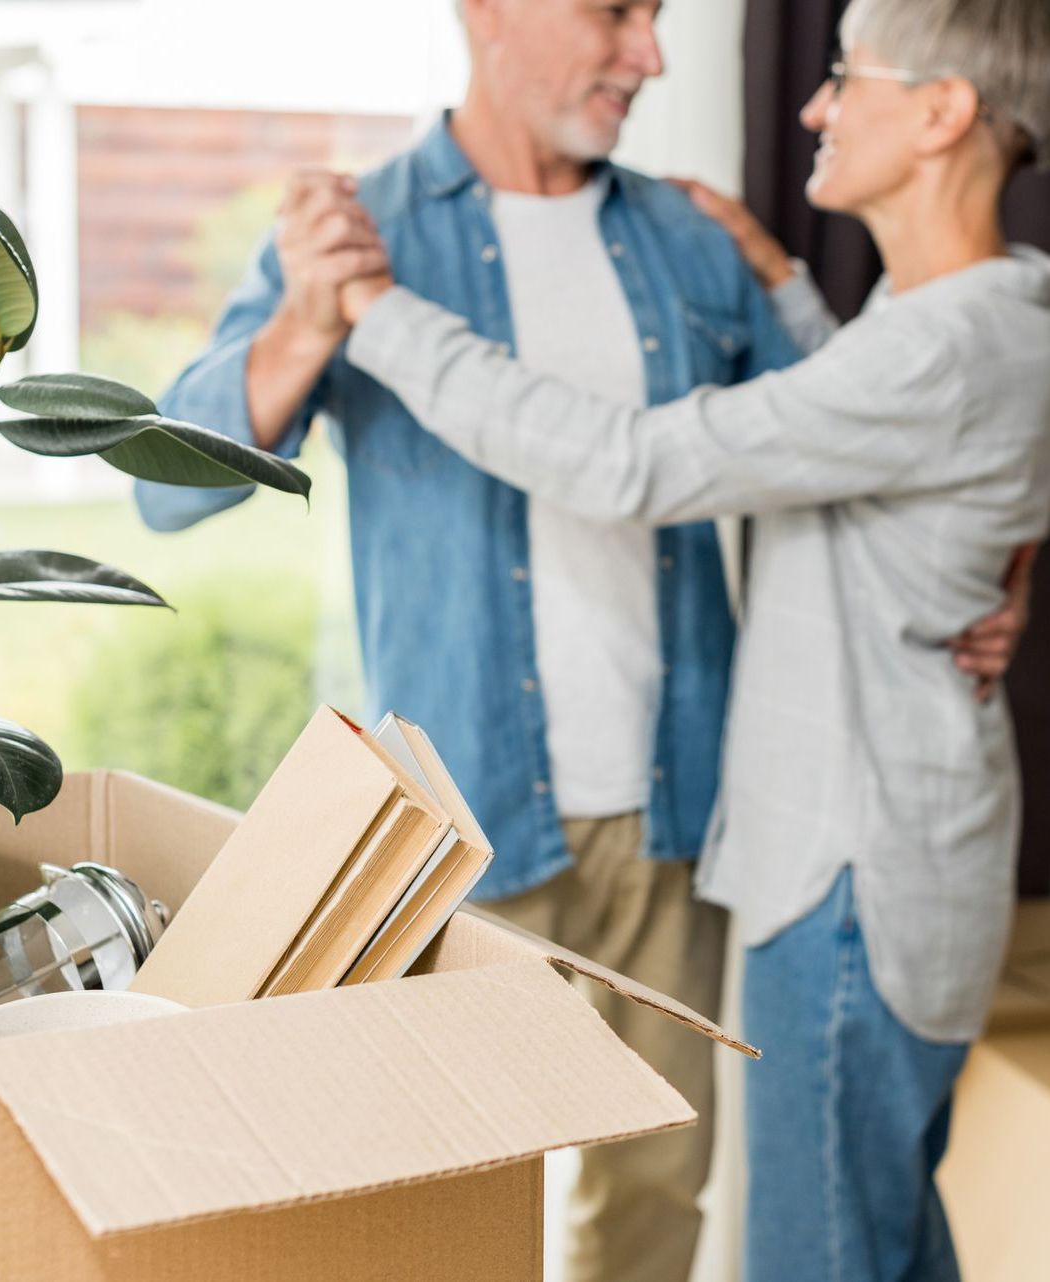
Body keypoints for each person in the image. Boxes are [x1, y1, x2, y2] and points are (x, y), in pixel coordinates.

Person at [335, 0, 1050, 1278]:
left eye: (845, 78)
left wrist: (378, 312)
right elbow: (886, 429)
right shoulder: (984, 316)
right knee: (886, 1233)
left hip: (851, 881)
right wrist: (780, 276)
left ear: (941, 114)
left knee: (820, 1253)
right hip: (910, 852)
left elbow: (628, 461)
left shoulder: (938, 346)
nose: (815, 107)